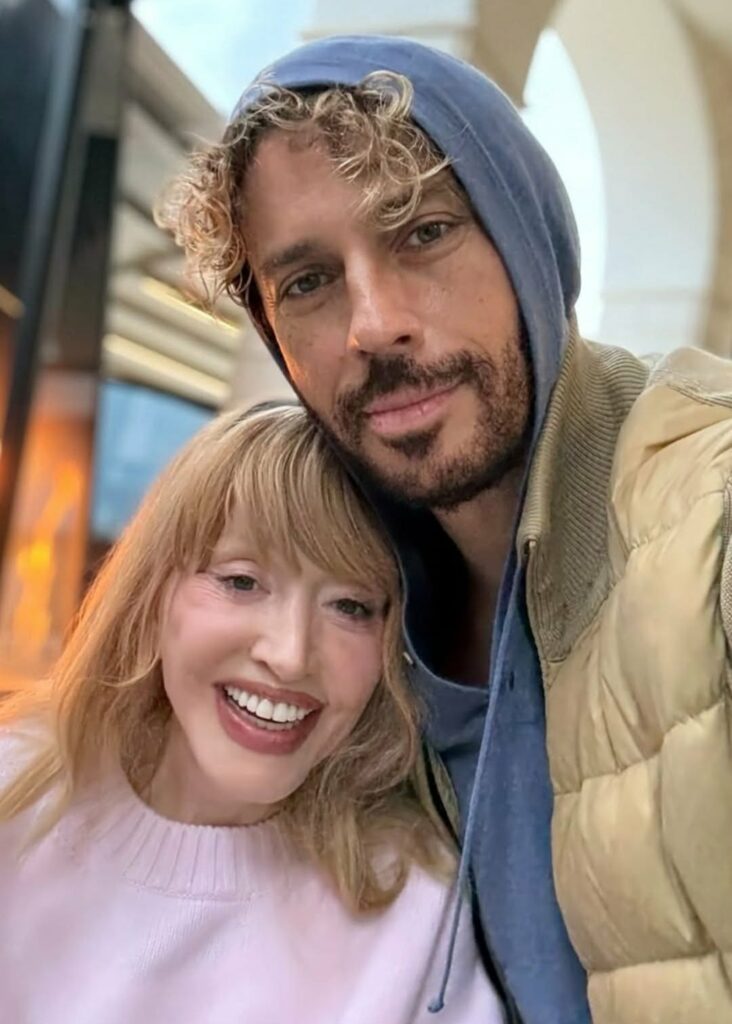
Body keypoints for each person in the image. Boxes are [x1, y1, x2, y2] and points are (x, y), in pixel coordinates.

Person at [157, 33, 732, 1024]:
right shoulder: (343, 611)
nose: (373, 324)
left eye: (423, 232)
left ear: (524, 235)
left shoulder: (702, 512)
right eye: (307, 282)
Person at [0, 402, 504, 1023]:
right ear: (153, 594)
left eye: (350, 606)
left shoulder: (415, 909)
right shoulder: (14, 797)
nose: (289, 656)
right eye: (241, 582)